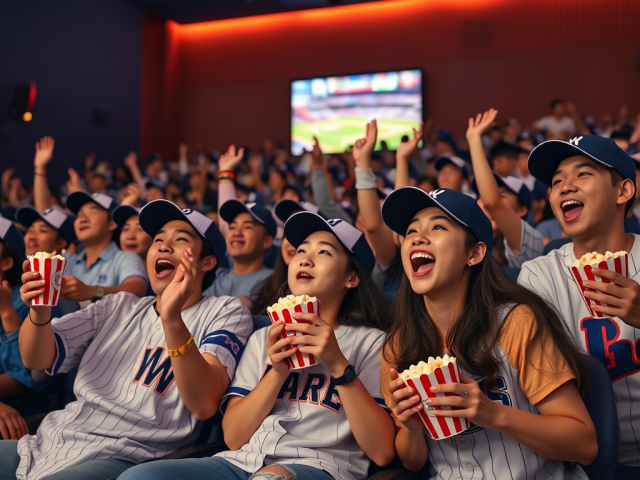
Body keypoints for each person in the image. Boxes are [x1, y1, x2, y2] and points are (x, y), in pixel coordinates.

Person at [118, 211, 394, 480]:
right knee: (140, 476)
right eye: (300, 251)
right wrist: (276, 372)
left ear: (351, 278)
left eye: (324, 252)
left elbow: (382, 453)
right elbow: (235, 437)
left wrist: (338, 365)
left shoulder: (371, 342)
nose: (306, 259)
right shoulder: (264, 337)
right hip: (240, 462)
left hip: (319, 467)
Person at [0, 200, 253, 480]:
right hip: (49, 440)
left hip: (124, 455)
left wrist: (172, 320)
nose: (163, 246)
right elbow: (36, 358)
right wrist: (39, 310)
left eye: (180, 239)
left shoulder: (225, 310)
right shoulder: (118, 305)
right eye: (158, 239)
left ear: (208, 261)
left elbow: (205, 403)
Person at [380, 186, 597, 478]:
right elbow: (413, 461)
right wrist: (411, 427)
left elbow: (583, 443)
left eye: (438, 227)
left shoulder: (516, 321)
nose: (417, 237)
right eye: (410, 231)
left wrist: (492, 413)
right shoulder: (398, 345)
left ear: (474, 253)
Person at [518, 134, 640, 476]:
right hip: (584, 462)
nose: (565, 187)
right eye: (557, 181)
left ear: (623, 191)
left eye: (582, 174)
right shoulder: (539, 274)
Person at [467, 109, 544, 267]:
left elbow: (492, 203)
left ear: (521, 210)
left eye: (501, 195)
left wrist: (474, 139)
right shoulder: (465, 244)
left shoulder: (530, 240)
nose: (486, 201)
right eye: (481, 195)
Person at [62, 191, 148, 304]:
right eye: (79, 214)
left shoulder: (126, 258)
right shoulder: (66, 260)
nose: (83, 218)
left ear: (112, 223)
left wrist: (95, 291)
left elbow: (137, 288)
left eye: (92, 211)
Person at [203, 200, 275, 298]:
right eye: (232, 227)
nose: (237, 233)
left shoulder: (275, 281)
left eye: (247, 227)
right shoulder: (212, 277)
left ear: (267, 241)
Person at [0, 216, 31, 440]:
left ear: (6, 262)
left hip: (24, 411)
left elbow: (23, 379)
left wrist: (6, 311)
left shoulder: (27, 301)